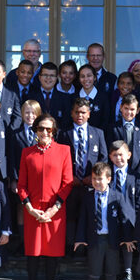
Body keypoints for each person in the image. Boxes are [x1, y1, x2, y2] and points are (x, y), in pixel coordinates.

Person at [17, 114, 73, 280]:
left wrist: (54, 209)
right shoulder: (27, 153)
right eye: (41, 128)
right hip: (33, 212)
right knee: (33, 255)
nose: (44, 132)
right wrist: (30, 208)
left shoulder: (64, 151)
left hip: (55, 213)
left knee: (52, 255)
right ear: (35, 130)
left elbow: (67, 183)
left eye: (49, 129)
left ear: (54, 131)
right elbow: (21, 184)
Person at [74, 162, 134, 280]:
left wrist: (127, 238)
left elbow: (125, 218)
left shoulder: (117, 196)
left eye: (100, 179)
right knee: (94, 270)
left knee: (111, 270)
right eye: (94, 179)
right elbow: (82, 218)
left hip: (112, 240)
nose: (97, 182)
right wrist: (80, 238)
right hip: (95, 240)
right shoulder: (88, 197)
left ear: (109, 179)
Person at [58, 98, 108, 249]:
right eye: (77, 112)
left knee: (88, 215)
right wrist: (68, 176)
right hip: (70, 183)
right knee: (71, 216)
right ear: (72, 113)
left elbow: (103, 157)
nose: (80, 115)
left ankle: (87, 247)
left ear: (89, 114)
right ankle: (70, 247)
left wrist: (92, 177)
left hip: (90, 184)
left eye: (83, 112)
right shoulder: (64, 133)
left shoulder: (98, 133)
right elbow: (59, 158)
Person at [108, 140, 140, 280]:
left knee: (128, 231)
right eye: (115, 155)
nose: (118, 158)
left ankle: (128, 271)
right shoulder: (108, 175)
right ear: (110, 157)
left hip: (131, 217)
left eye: (121, 155)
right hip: (111, 214)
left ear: (128, 155)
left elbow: (139, 200)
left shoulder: (136, 176)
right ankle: (112, 272)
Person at [8, 100, 42, 246]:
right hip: (21, 178)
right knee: (22, 208)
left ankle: (36, 239)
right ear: (22, 114)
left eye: (33, 113)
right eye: (27, 112)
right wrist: (14, 180)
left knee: (37, 206)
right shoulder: (15, 134)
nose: (30, 116)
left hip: (39, 179)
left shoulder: (43, 133)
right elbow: (12, 157)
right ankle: (23, 241)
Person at [108, 94, 140, 174]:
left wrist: (139, 171)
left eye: (132, 109)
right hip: (118, 170)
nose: (129, 112)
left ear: (137, 110)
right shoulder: (113, 128)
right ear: (121, 108)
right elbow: (110, 150)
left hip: (139, 172)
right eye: (126, 108)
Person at [28, 62, 72, 129]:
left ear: (56, 78)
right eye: (45, 75)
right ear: (39, 77)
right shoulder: (30, 97)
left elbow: (66, 123)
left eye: (52, 75)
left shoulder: (65, 98)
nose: (48, 78)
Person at [78, 64, 110, 131]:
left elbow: (106, 121)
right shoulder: (74, 97)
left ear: (95, 77)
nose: (86, 79)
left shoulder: (103, 97)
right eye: (82, 76)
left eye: (89, 76)